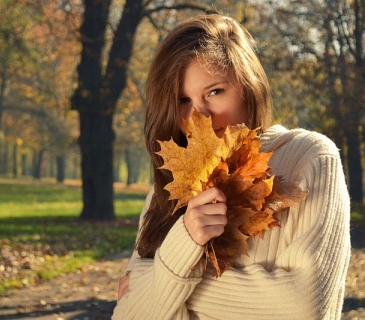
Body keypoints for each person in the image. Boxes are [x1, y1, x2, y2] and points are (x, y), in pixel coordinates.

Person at [112, 14, 351, 319]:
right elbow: (127, 313)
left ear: (249, 86)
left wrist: (154, 283)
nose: (199, 117)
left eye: (214, 92)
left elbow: (304, 307)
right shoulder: (172, 183)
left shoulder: (311, 159)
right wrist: (185, 239)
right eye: (183, 101)